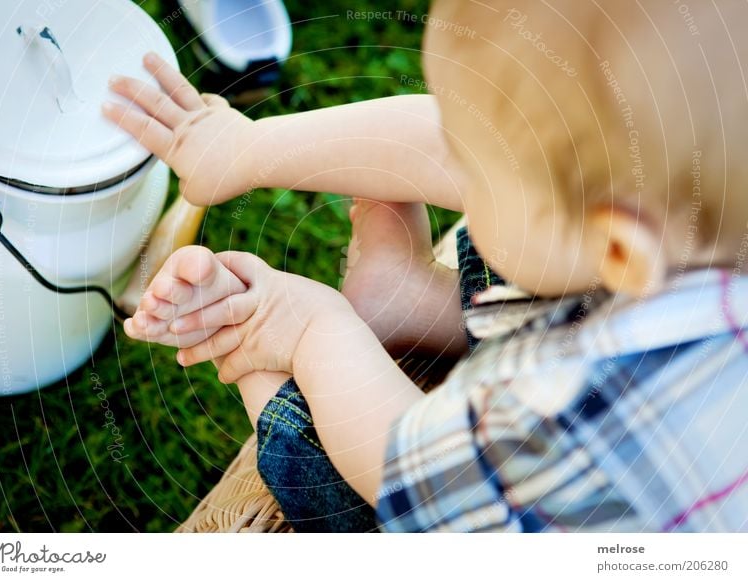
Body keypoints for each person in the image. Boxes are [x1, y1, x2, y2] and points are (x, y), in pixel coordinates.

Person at [104, 0, 748, 532]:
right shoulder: (693, 221)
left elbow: (397, 467)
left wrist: (307, 327)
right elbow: (451, 142)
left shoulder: (578, 419)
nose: (455, 174)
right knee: (537, 229)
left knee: (337, 482)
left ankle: (257, 338)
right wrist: (242, 148)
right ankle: (411, 297)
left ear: (618, 250)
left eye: (471, 171)